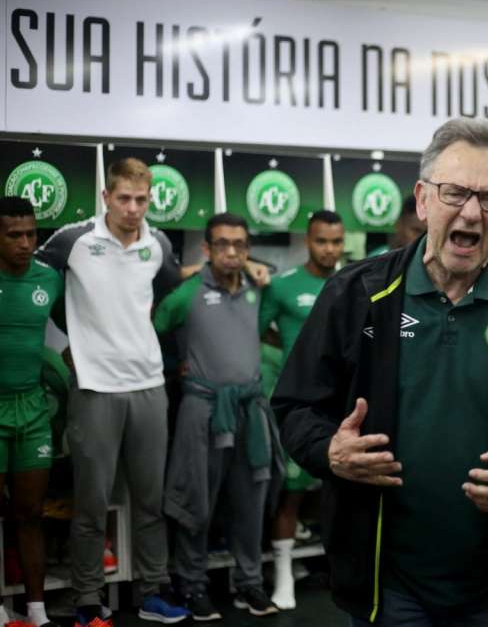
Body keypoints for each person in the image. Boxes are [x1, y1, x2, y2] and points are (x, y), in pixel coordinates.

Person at [272, 117, 488, 627]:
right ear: (423, 199)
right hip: (384, 580)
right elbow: (296, 406)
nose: (471, 212)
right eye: (454, 192)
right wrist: (328, 451)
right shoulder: (357, 294)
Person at [36, 158, 189, 627]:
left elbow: (167, 293)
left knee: (150, 499)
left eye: (141, 200)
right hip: (96, 388)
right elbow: (34, 281)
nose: (133, 208)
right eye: (124, 198)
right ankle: (87, 601)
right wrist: (70, 341)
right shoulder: (75, 238)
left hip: (147, 384)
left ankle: (152, 591)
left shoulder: (157, 243)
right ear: (106, 197)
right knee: (91, 504)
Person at [156, 213, 282, 620]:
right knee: (196, 500)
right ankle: (192, 586)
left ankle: (249, 584)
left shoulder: (255, 288)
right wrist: (175, 364)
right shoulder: (187, 292)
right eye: (222, 244)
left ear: (247, 249)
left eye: (239, 245)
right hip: (203, 409)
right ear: (206, 249)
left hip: (249, 409)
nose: (231, 252)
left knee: (251, 502)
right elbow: (151, 330)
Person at [259, 210, 345, 609]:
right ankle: (282, 576)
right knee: (291, 495)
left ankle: (344, 572)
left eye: (335, 241)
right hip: (305, 408)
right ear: (307, 241)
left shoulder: (355, 282)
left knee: (346, 492)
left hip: (347, 407)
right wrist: (289, 365)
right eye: (321, 241)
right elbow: (259, 331)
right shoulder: (283, 286)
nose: (329, 249)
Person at [0, 197, 63, 627]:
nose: (25, 243)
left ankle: (37, 612)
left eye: (31, 234)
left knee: (30, 512)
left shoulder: (48, 278)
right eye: (13, 235)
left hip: (33, 408)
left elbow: (81, 324)